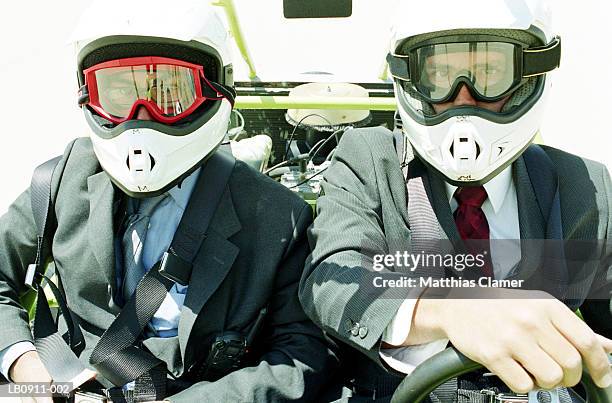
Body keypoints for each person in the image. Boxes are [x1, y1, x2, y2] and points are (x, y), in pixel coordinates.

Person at [0, 1, 336, 402]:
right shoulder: (62, 179)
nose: (143, 114)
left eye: (169, 91)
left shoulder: (278, 216)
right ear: (90, 94)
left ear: (213, 91)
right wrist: (27, 367)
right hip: (67, 384)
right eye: (120, 92)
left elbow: (305, 356)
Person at [299, 0, 612, 401]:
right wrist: (453, 311)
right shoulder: (370, 160)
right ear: (411, 79)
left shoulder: (582, 186)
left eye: (489, 73)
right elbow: (334, 276)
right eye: (440, 74)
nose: (463, 98)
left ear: (527, 78)